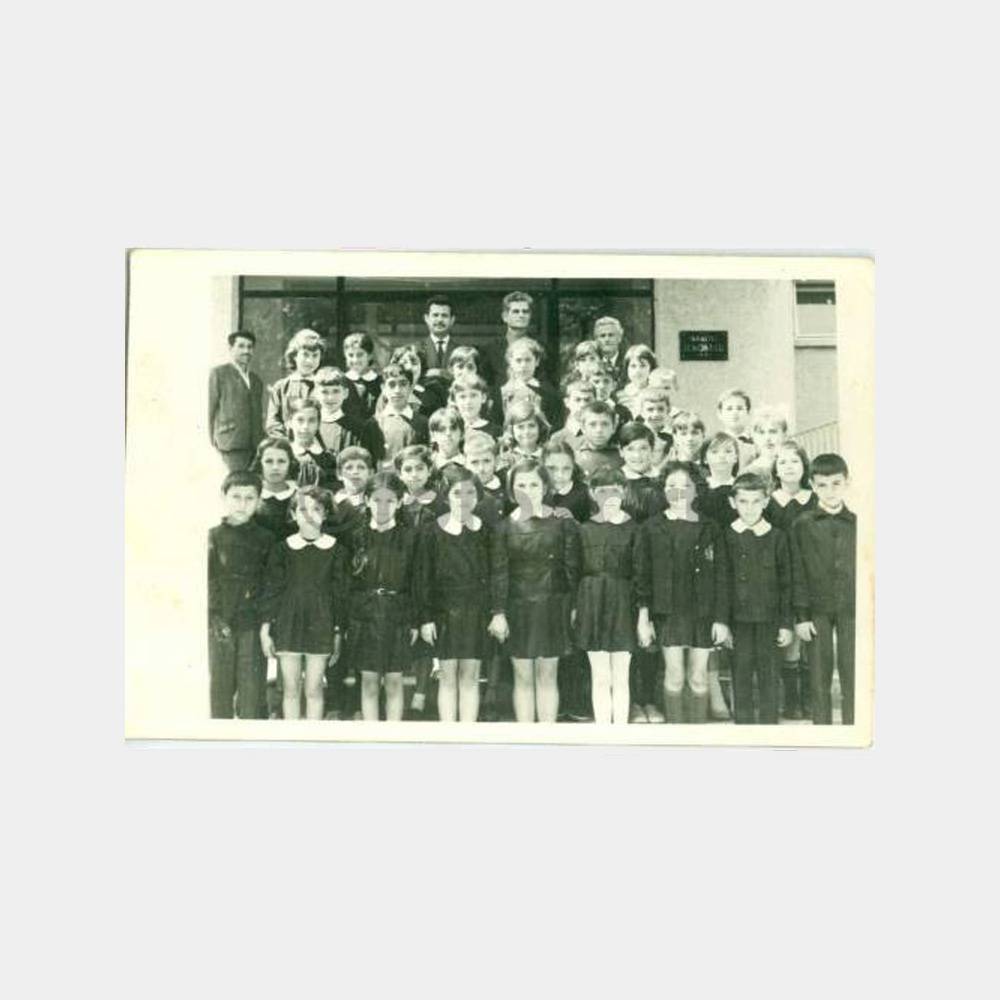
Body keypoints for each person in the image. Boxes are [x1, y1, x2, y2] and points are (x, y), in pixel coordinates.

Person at [488, 459, 581, 722]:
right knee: (522, 677)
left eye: (533, 484)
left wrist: (574, 606)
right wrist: (498, 612)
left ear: (545, 487)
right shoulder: (504, 527)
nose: (527, 491)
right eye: (521, 485)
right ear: (511, 490)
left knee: (548, 675)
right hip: (517, 608)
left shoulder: (562, 523)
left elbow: (572, 569)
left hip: (553, 606)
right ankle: (527, 735)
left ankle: (547, 735)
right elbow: (499, 573)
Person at [635, 462, 728, 723]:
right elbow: (642, 577)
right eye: (672, 486)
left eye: (686, 486)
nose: (679, 491)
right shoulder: (651, 528)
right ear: (663, 490)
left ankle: (696, 734)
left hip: (703, 612)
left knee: (698, 677)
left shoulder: (710, 528)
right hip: (669, 612)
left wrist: (721, 619)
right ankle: (676, 733)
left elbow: (721, 577)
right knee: (674, 676)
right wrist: (644, 618)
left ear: (696, 490)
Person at [260, 486, 348, 721]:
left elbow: (340, 595)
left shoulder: (337, 550)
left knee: (314, 689)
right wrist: (266, 629)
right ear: (292, 514)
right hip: (288, 624)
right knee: (290, 690)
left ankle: (313, 736)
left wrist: (338, 631)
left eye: (316, 509)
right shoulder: (282, 549)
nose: (309, 515)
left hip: (321, 624)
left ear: (326, 514)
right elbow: (272, 591)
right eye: (302, 509)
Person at [416, 465, 491, 722]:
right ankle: (449, 733)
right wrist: (426, 619)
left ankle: (467, 733)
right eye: (457, 493)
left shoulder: (485, 531)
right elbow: (423, 578)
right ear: (446, 496)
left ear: (478, 496)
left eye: (470, 493)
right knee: (447, 678)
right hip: (444, 614)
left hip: (476, 613)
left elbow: (492, 575)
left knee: (470, 677)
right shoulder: (431, 531)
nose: (464, 499)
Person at [717, 473, 793, 724]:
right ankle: (744, 727)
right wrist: (722, 622)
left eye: (755, 501)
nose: (749, 508)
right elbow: (721, 582)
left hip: (769, 620)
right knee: (740, 675)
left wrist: (786, 623)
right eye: (743, 501)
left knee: (769, 676)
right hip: (738, 622)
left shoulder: (777, 537)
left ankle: (769, 726)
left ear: (766, 501)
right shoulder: (726, 536)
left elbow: (786, 585)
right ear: (733, 503)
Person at [344, 471, 420, 721]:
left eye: (390, 500)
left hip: (397, 616)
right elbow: (349, 583)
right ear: (366, 500)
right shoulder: (356, 536)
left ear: (400, 502)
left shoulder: (410, 538)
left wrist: (414, 621)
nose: (383, 507)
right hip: (365, 617)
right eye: (377, 500)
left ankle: (393, 734)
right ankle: (372, 734)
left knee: (395, 682)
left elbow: (416, 582)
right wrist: (351, 620)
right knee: (368, 682)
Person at [790, 453, 856, 726]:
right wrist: (801, 616)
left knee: (853, 673)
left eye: (836, 483)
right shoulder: (802, 525)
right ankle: (823, 731)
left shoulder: (857, 522)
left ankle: (852, 730)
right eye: (822, 485)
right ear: (812, 486)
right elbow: (797, 572)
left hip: (851, 609)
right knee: (819, 676)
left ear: (847, 482)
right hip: (816, 611)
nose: (830, 491)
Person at [573, 468, 637, 724]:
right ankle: (603, 730)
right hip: (592, 603)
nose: (609, 496)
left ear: (624, 492)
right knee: (600, 675)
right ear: (592, 493)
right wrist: (576, 609)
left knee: (621, 675)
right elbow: (575, 571)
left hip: (623, 604)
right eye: (602, 491)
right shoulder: (585, 529)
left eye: (615, 490)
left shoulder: (635, 529)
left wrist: (642, 614)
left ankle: (620, 731)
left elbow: (641, 574)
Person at [207, 471, 274, 718]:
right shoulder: (213, 536)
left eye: (249, 498)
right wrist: (216, 617)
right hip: (220, 620)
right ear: (223, 497)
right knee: (220, 685)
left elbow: (270, 584)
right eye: (236, 497)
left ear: (259, 501)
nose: (242, 504)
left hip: (252, 621)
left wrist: (265, 624)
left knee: (251, 689)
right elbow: (209, 579)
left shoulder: (266, 538)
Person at [765, 440, 817, 719]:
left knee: (810, 639)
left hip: (812, 577)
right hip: (782, 578)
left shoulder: (815, 499)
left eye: (794, 461)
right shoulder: (770, 503)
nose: (788, 466)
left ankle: (810, 697)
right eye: (782, 461)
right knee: (791, 642)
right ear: (775, 469)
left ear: (804, 466)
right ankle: (792, 700)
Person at [208, 331, 266, 471]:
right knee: (235, 480)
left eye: (250, 347)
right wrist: (212, 441)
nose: (246, 351)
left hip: (255, 445)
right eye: (241, 346)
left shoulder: (256, 380)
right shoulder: (219, 374)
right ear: (231, 348)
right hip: (232, 443)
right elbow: (210, 410)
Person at [359, 363, 430, 466]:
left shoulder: (423, 423)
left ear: (410, 387)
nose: (397, 390)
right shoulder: (373, 424)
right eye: (392, 385)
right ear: (383, 388)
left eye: (403, 384)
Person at [265, 329, 325, 438]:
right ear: (294, 356)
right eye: (305, 355)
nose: (310, 361)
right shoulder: (281, 387)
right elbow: (273, 423)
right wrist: (288, 443)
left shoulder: (323, 386)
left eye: (315, 355)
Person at [500, 336, 561, 427]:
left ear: (537, 361)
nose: (523, 365)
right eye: (518, 360)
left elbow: (556, 424)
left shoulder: (549, 393)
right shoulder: (503, 393)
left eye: (528, 360)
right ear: (510, 362)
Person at [286, 397, 338, 490]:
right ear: (289, 423)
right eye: (300, 420)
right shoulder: (284, 457)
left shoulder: (329, 460)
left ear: (318, 424)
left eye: (311, 420)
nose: (305, 426)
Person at [250, 437, 298, 539]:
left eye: (281, 461)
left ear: (290, 463)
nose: (275, 467)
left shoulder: (300, 498)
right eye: (269, 461)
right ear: (260, 463)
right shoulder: (250, 497)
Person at [312, 367, 364, 457]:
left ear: (345, 393)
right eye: (324, 392)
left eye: (336, 391)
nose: (330, 398)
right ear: (316, 394)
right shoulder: (310, 425)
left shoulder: (357, 429)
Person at [571, 400, 624, 478]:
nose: (599, 430)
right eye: (592, 424)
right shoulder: (574, 457)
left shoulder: (623, 456)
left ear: (614, 427)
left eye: (605, 424)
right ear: (583, 428)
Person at [543, 440, 592, 522]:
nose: (560, 475)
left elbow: (594, 527)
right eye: (552, 468)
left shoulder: (585, 494)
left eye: (566, 468)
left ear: (573, 467)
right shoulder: (534, 490)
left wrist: (573, 522)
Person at [342, 332, 382, 421]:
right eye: (350, 355)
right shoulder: (341, 382)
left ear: (370, 356)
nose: (355, 360)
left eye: (360, 355)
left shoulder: (380, 383)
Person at [549, 375, 596, 450]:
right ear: (567, 402)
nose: (583, 405)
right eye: (577, 400)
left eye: (587, 400)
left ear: (595, 402)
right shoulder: (558, 438)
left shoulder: (604, 432)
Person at [449, 373, 501, 440]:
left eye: (473, 395)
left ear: (483, 398)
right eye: (462, 397)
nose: (468, 402)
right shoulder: (450, 431)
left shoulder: (496, 431)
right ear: (455, 400)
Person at [501, 396, 549, 467]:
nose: (526, 432)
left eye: (531, 425)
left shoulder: (548, 457)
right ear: (511, 430)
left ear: (540, 428)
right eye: (520, 427)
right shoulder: (504, 460)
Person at [716, 388, 756, 468]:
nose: (734, 413)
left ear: (748, 413)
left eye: (740, 408)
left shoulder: (756, 443)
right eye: (729, 409)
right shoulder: (713, 444)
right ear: (720, 414)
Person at [616, 344, 658, 419]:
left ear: (651, 368)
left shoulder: (657, 394)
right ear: (627, 369)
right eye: (633, 366)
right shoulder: (620, 396)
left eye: (643, 366)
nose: (638, 371)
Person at [421, 295, 459, 374]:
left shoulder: (461, 351)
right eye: (435, 315)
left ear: (452, 320)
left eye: (444, 315)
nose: (440, 320)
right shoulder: (416, 350)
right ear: (426, 318)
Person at [593, 316, 627, 387]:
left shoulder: (628, 363)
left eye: (611, 335)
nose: (607, 339)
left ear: (619, 338)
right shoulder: (592, 363)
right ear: (596, 340)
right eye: (602, 336)